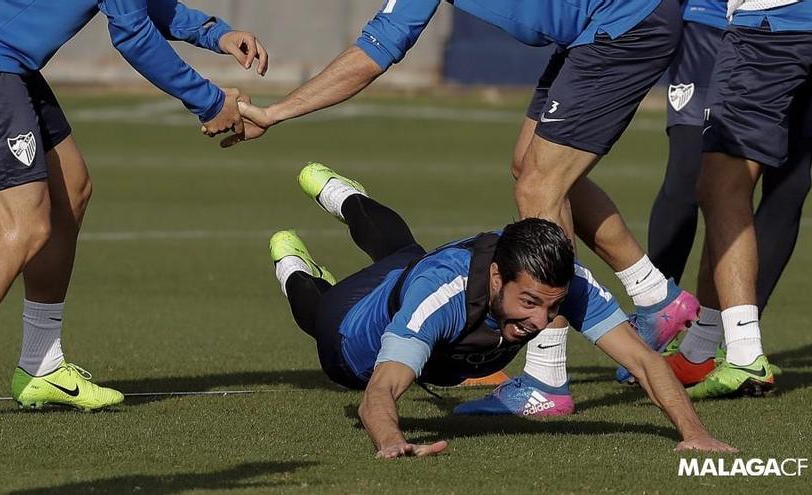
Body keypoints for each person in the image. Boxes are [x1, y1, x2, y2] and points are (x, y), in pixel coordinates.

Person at [230, 0, 698, 404]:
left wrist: (273, 113)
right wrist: (275, 113)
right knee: (532, 168)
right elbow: (376, 48)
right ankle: (657, 298)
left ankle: (547, 379)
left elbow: (373, 56)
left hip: (625, 23)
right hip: (594, 28)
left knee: (538, 186)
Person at [0, 0, 268, 424]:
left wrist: (211, 32)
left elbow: (138, 5)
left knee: (70, 190)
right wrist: (208, 100)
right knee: (22, 223)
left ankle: (42, 365)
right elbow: (131, 33)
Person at [268, 162, 735, 457]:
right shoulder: (443, 296)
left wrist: (692, 433)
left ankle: (342, 196)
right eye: (528, 303)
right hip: (353, 338)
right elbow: (380, 392)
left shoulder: (559, 281)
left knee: (404, 253)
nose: (538, 322)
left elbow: (645, 361)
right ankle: (293, 260)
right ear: (497, 279)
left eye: (550, 308)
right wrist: (393, 442)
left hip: (413, 278)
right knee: (318, 314)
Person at [648, 0, 809, 388]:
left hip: (773, 23)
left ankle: (742, 353)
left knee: (721, 185)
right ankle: (700, 351)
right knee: (785, 186)